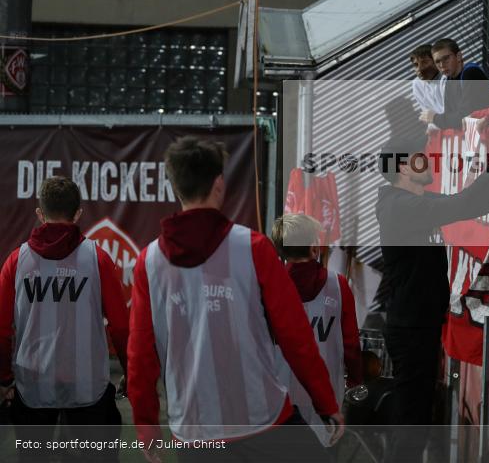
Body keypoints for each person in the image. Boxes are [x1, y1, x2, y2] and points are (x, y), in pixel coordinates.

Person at [128, 137, 342, 463]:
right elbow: (295, 336)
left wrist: (146, 427)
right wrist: (326, 403)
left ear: (175, 187)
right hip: (262, 419)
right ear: (218, 183)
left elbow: (141, 355)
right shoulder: (253, 247)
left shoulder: (149, 262)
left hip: (195, 430)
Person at [376, 132, 489, 462]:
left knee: (417, 421)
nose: (429, 161)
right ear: (403, 166)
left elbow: (475, 201)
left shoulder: (416, 203)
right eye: (421, 156)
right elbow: (467, 203)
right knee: (411, 425)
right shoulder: (400, 207)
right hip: (410, 329)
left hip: (420, 327)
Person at [0, 176, 129, 463]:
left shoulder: (16, 261)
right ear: (78, 213)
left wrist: (4, 378)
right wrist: (131, 370)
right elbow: (121, 326)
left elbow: (1, 329)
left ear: (39, 214)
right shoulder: (98, 259)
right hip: (88, 388)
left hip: (32, 386)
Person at [270, 214, 362, 445]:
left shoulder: (268, 286)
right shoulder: (338, 285)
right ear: (314, 247)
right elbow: (351, 345)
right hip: (326, 395)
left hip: (280, 396)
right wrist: (356, 381)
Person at [420, 38, 489, 131]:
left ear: (458, 56)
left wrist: (435, 118)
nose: (442, 65)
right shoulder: (449, 81)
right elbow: (450, 118)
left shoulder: (471, 72)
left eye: (446, 58)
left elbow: (465, 116)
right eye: (437, 62)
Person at [409, 44, 446, 115]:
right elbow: (428, 115)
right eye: (416, 65)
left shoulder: (447, 78)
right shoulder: (417, 84)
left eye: (425, 62)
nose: (420, 69)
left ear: (435, 62)